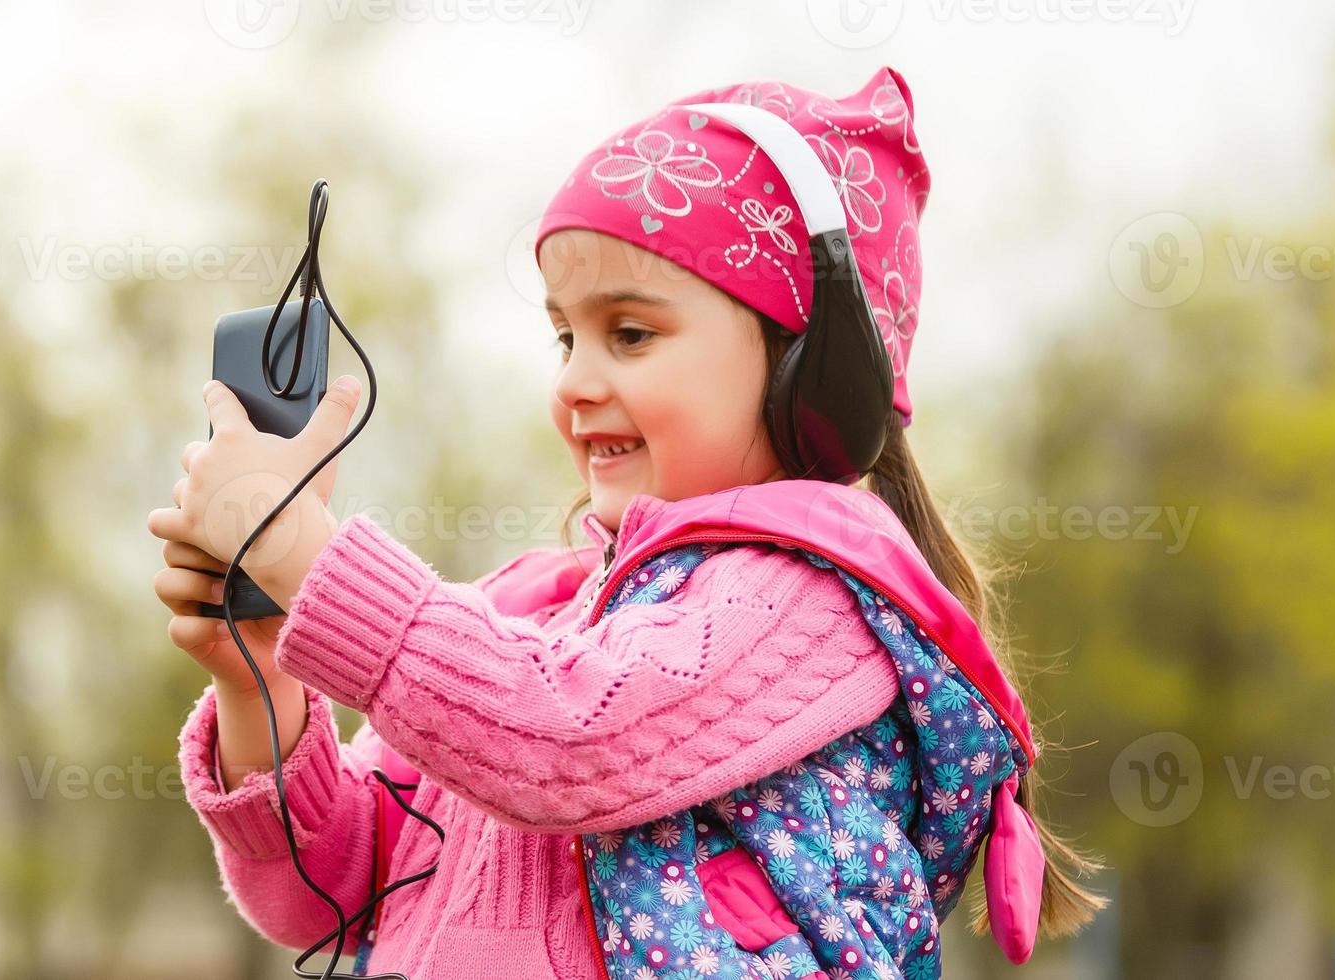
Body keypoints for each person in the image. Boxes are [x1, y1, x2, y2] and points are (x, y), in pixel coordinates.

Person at [148, 67, 1103, 979]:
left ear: (810, 369)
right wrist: (262, 684)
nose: (571, 383)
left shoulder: (810, 603)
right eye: (565, 336)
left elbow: (564, 737)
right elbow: (331, 899)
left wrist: (315, 562)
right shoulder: (531, 617)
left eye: (631, 334)